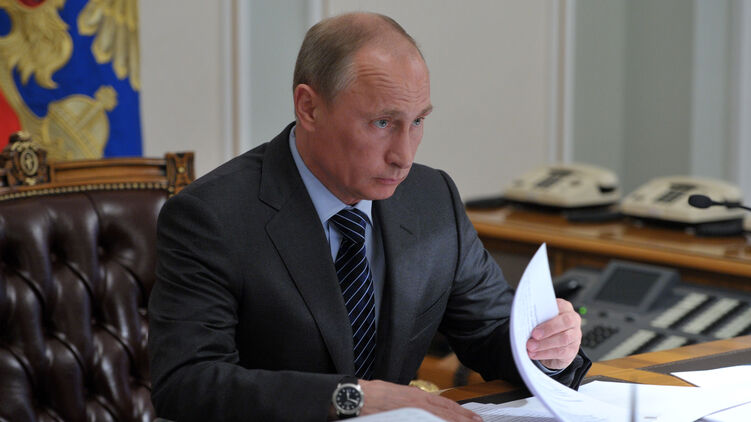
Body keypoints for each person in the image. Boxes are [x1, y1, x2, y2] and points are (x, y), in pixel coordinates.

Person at [148, 12, 589, 422]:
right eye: (382, 123)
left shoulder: (431, 197)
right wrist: (351, 397)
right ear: (309, 107)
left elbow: (490, 331)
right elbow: (187, 382)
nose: (404, 155)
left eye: (417, 122)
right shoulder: (212, 216)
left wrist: (548, 348)